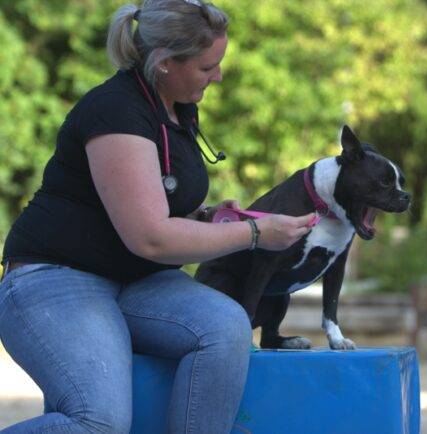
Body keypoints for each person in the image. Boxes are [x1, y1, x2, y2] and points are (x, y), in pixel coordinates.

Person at [0, 0, 315, 432]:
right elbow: (151, 238)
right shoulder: (115, 109)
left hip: (138, 281)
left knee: (226, 327)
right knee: (98, 423)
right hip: (56, 278)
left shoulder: (177, 108)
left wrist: (205, 216)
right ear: (165, 63)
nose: (218, 76)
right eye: (208, 67)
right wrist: (255, 232)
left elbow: (156, 205)